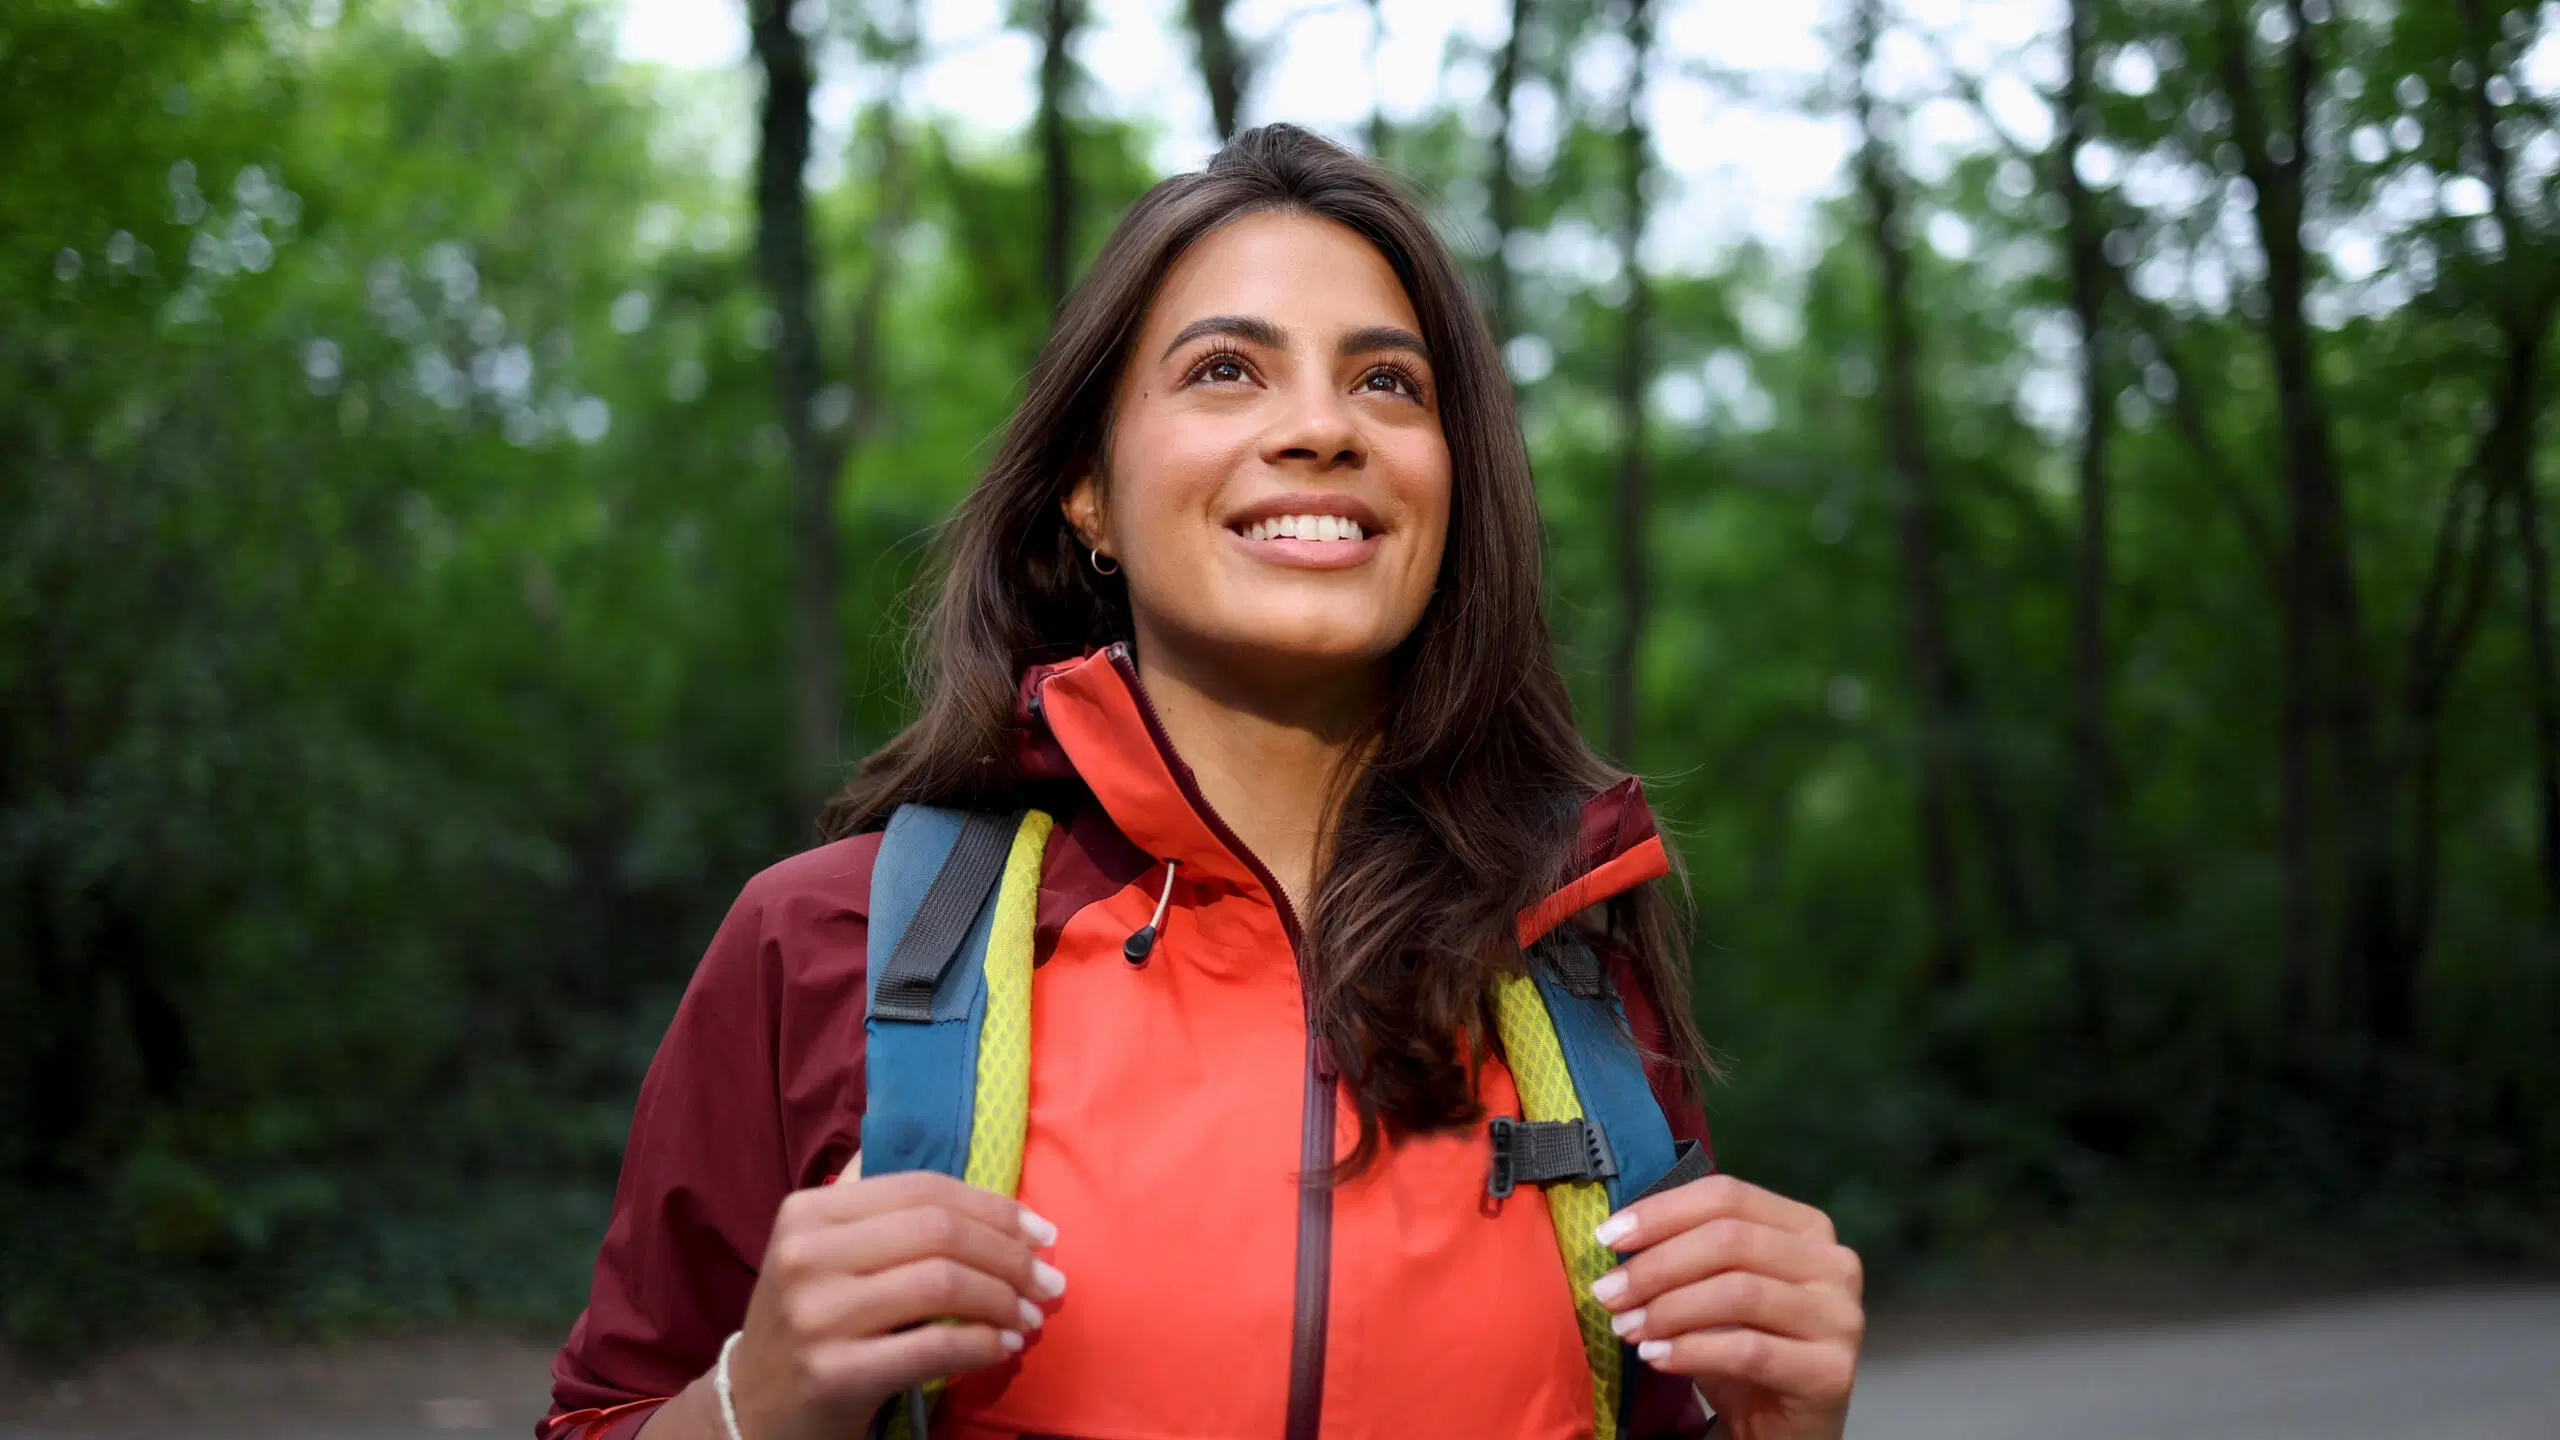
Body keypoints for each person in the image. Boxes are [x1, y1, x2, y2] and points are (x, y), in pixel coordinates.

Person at [539, 124, 1864, 1440]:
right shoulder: (823, 940)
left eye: (1390, 385)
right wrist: (745, 1408)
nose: (1321, 428)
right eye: (1227, 370)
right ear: (1088, 491)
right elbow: (602, 1416)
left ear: (1452, 486)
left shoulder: (1571, 963)